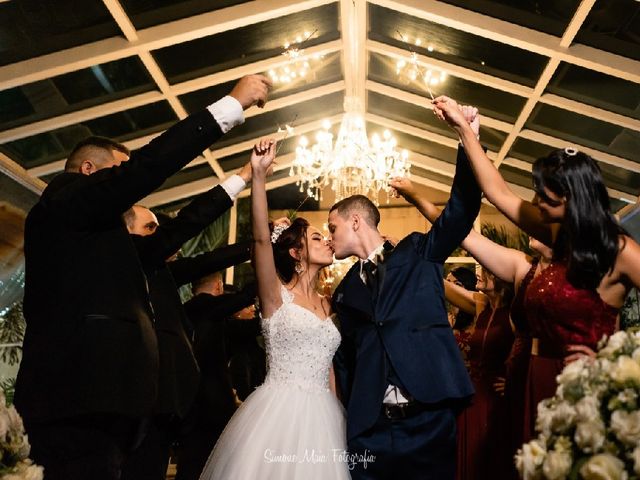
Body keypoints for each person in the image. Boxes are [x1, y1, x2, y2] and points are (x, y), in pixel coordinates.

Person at [14, 74, 271, 480]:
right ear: (88, 170)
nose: (126, 185)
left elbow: (179, 230)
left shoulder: (105, 236)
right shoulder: (63, 200)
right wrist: (230, 106)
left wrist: (242, 179)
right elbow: (149, 166)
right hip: (78, 402)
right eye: (118, 172)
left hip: (115, 413)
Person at [432, 96, 640, 441]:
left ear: (573, 198)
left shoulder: (618, 250)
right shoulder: (555, 235)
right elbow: (496, 191)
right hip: (531, 376)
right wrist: (464, 131)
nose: (535, 202)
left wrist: (619, 362)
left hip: (582, 385)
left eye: (544, 195)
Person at [328, 112, 482, 479]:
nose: (329, 235)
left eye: (332, 227)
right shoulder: (344, 292)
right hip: (372, 434)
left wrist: (468, 141)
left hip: (428, 420)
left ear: (355, 221)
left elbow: (460, 211)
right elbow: (347, 360)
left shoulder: (417, 252)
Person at [199, 139, 350, 479]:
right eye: (315, 238)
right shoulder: (275, 296)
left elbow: (328, 367)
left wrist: (340, 412)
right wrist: (258, 176)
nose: (326, 240)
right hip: (278, 412)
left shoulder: (331, 303)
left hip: (327, 416)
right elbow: (261, 240)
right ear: (296, 254)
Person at [120, 202, 254, 480]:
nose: (160, 235)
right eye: (150, 227)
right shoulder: (126, 274)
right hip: (141, 402)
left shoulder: (164, 278)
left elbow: (209, 260)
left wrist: (261, 245)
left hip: (169, 406)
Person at [175, 274, 258, 480]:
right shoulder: (205, 307)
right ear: (219, 286)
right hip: (208, 404)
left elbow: (240, 330)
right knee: (202, 464)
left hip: (187, 400)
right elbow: (242, 298)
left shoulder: (184, 311)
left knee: (191, 463)